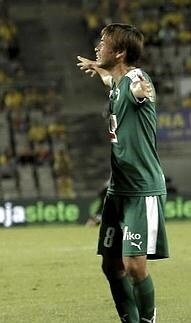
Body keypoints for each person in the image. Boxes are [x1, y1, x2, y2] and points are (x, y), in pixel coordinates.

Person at [77, 23, 169, 323]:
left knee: (135, 266)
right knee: (111, 266)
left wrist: (142, 88)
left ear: (118, 53)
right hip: (119, 190)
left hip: (142, 189)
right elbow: (111, 80)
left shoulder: (135, 79)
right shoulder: (117, 83)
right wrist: (99, 69)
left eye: (102, 43)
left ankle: (148, 320)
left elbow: (138, 86)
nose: (97, 46)